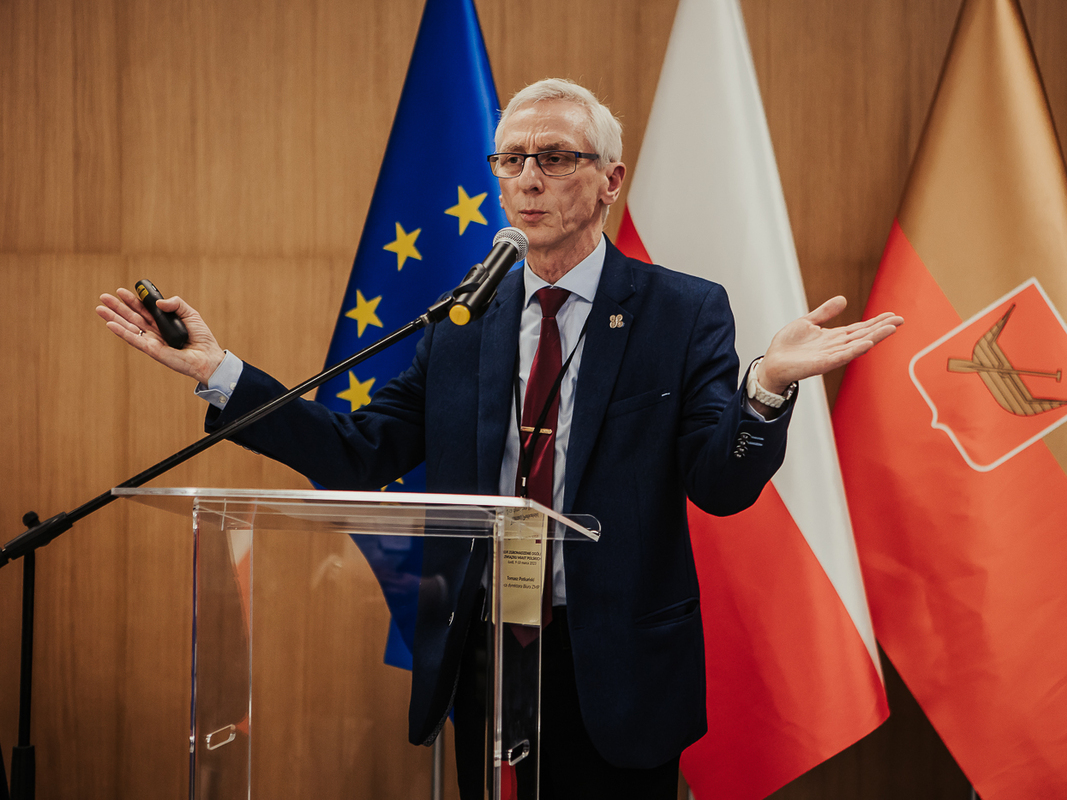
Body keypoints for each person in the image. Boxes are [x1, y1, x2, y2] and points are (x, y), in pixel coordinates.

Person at [97, 79, 901, 799]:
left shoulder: (680, 312)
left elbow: (718, 487)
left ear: (610, 179)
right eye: (512, 159)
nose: (529, 178)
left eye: (556, 158)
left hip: (615, 665)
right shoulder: (464, 322)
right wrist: (221, 372)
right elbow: (360, 451)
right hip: (483, 652)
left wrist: (767, 387)